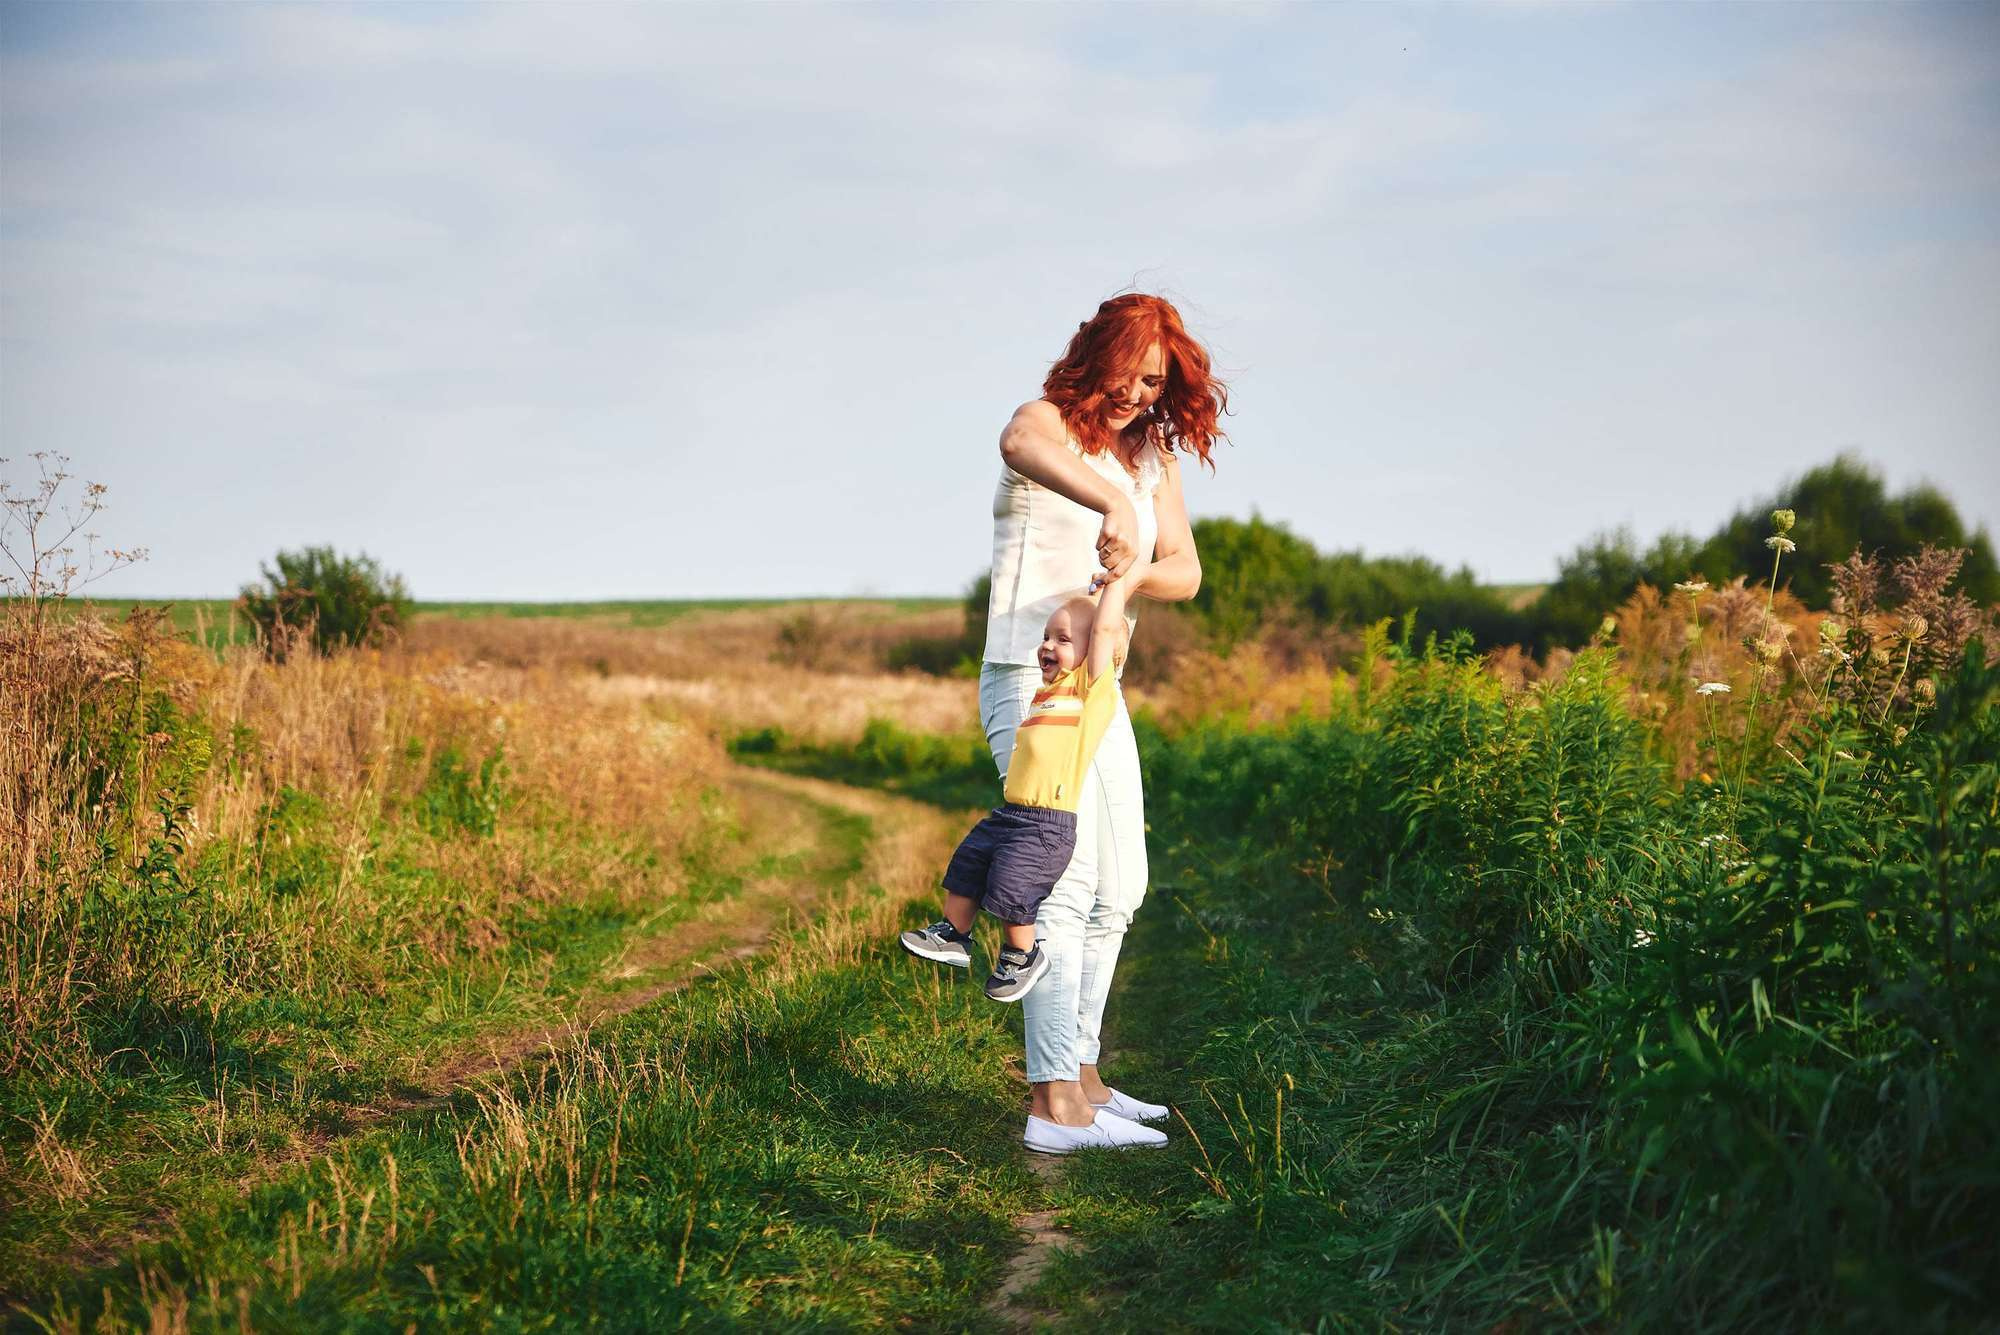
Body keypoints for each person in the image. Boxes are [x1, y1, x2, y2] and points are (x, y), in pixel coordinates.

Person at [978, 292, 1226, 1155]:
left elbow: (1184, 568)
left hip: (1102, 689)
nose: (1136, 393)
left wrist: (1119, 588)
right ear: (1095, 354)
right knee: (1063, 882)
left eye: (1154, 381)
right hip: (1030, 677)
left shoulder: (1153, 454)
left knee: (1122, 889)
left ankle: (1083, 1075)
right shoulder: (1041, 421)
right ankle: (1053, 1107)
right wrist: (1114, 510)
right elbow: (1020, 447)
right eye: (1127, 373)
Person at [899, 560, 1142, 1003]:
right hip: (1011, 814)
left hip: (1047, 825)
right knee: (969, 860)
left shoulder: (1089, 695)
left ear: (1093, 654)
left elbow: (1106, 632)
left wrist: (1117, 584)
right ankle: (954, 935)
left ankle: (1022, 956)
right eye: (1046, 636)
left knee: (1013, 886)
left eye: (1063, 639)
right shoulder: (1046, 693)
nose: (1047, 645)